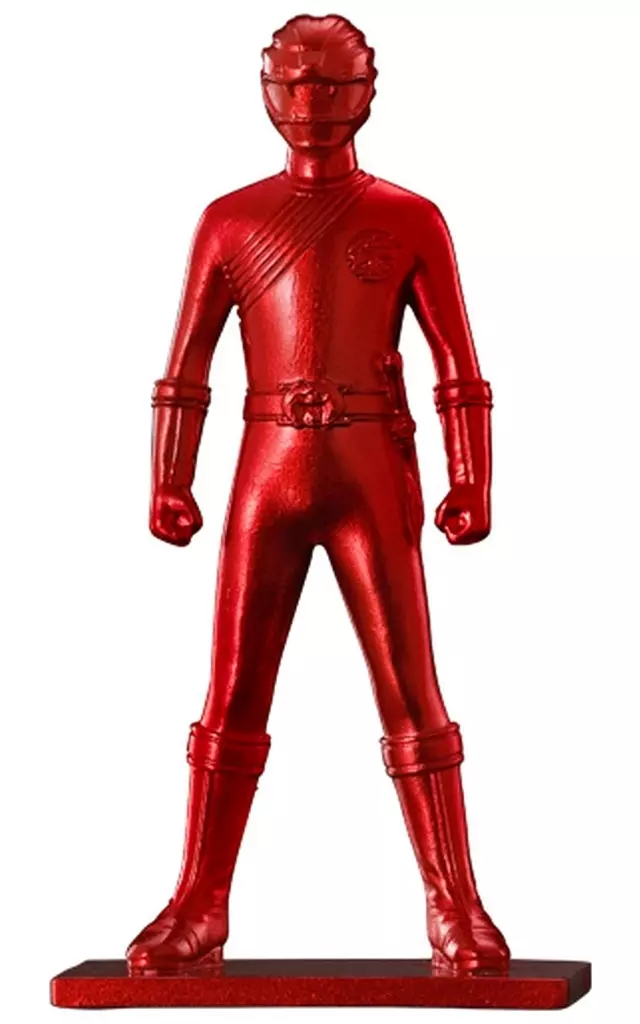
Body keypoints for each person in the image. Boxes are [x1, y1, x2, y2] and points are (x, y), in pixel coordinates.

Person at [127, 14, 509, 976]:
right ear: (266, 90)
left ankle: (454, 905)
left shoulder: (410, 218)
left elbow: (458, 367)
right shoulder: (231, 220)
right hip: (268, 467)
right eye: (294, 84)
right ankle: (199, 902)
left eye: (332, 86)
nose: (311, 103)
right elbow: (186, 365)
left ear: (368, 92)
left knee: (411, 690)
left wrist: (472, 476)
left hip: (369, 465)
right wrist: (170, 476)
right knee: (232, 693)